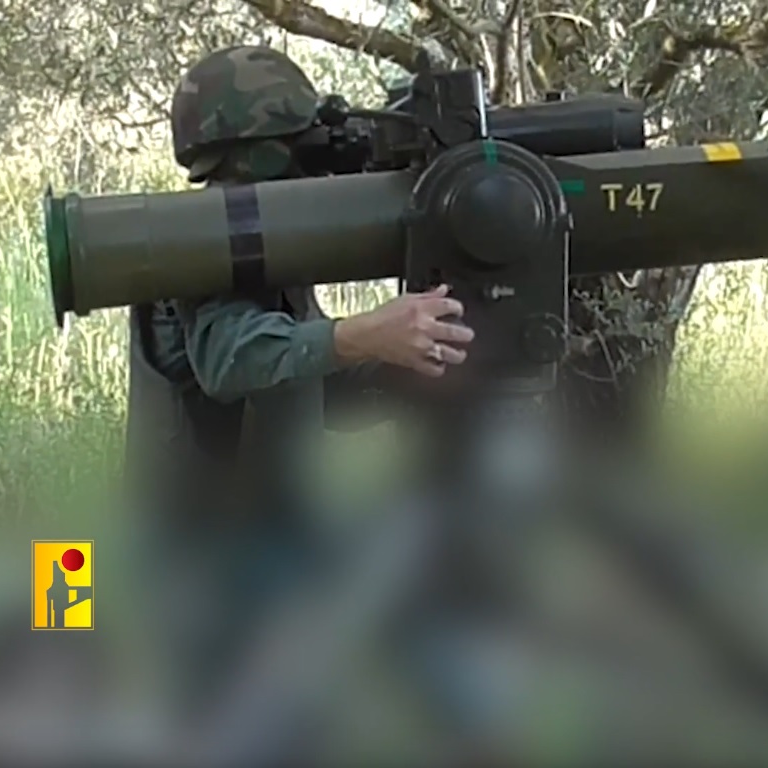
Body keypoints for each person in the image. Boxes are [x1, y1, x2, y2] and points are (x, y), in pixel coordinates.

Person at [125, 45, 475, 716]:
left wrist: (406, 365)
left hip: (265, 527)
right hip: (207, 548)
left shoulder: (263, 239)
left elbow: (303, 380)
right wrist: (362, 333)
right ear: (260, 150)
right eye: (303, 143)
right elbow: (231, 360)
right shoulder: (204, 238)